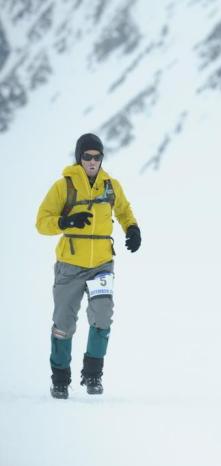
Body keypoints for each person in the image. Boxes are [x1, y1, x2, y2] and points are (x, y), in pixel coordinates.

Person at [36, 133, 141, 399]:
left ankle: (93, 375)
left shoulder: (111, 186)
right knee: (63, 323)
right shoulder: (64, 186)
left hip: (102, 266)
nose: (92, 162)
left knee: (103, 317)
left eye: (97, 157)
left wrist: (133, 229)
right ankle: (60, 379)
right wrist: (66, 222)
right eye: (87, 157)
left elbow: (125, 210)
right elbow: (42, 221)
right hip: (69, 266)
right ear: (79, 158)